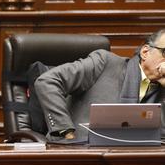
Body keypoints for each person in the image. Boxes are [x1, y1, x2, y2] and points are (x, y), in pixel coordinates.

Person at [34, 29, 165, 142]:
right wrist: (66, 132)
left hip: (136, 159)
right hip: (79, 150)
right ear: (145, 52)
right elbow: (47, 81)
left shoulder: (161, 87)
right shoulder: (104, 63)